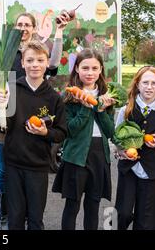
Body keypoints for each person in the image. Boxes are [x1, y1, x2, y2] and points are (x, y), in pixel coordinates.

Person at [0, 11, 70, 227]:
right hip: (13, 163)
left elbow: (62, 131)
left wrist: (45, 132)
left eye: (40, 61)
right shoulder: (12, 89)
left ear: (46, 63)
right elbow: (4, 125)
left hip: (38, 166)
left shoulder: (53, 98)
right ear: (22, 62)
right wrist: (0, 106)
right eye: (30, 61)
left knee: (36, 218)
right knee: (15, 217)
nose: (35, 65)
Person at [52, 49, 116, 230]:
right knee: (72, 206)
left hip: (99, 157)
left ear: (101, 69)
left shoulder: (107, 95)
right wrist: (86, 108)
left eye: (94, 68)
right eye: (85, 68)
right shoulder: (69, 96)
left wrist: (101, 110)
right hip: (75, 157)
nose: (90, 72)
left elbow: (111, 132)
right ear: (77, 69)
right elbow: (70, 131)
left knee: (93, 206)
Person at [114, 66, 155, 230]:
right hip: (128, 169)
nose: (149, 87)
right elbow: (116, 138)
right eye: (145, 82)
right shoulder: (126, 109)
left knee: (147, 219)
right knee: (122, 213)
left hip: (153, 171)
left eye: (154, 83)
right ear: (137, 84)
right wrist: (121, 151)